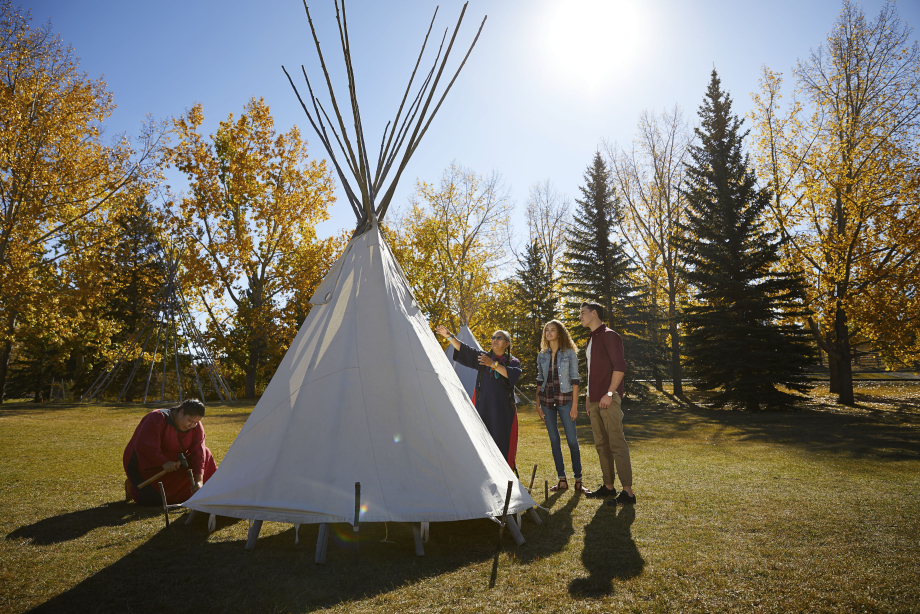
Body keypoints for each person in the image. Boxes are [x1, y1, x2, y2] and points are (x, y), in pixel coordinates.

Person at [436, 325, 522, 466]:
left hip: (503, 412)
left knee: (501, 442)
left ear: (507, 343)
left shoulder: (513, 362)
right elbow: (466, 350)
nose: (494, 340)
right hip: (484, 408)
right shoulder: (484, 358)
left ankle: (504, 473)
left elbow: (512, 375)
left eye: (499, 338)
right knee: (484, 442)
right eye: (493, 337)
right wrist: (449, 336)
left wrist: (493, 364)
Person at [579, 302, 636, 505]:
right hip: (594, 400)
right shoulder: (591, 339)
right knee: (601, 445)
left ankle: (628, 493)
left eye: (583, 313)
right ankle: (608, 487)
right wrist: (587, 398)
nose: (580, 317)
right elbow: (591, 373)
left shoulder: (610, 335)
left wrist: (610, 393)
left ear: (595, 313)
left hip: (608, 399)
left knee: (616, 443)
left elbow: (620, 366)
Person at [123, 399, 217, 505]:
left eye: (195, 423)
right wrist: (163, 462)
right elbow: (146, 446)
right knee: (158, 500)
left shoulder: (196, 426)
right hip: (145, 465)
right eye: (190, 421)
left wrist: (199, 482)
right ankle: (133, 487)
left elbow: (199, 452)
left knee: (206, 452)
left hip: (174, 464)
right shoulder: (156, 418)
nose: (192, 425)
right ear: (181, 412)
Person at [536, 319, 585, 493]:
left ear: (559, 333)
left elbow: (575, 379)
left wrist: (574, 406)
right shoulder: (542, 354)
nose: (549, 333)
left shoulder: (569, 353)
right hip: (547, 401)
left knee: (572, 441)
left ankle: (578, 480)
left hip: (565, 401)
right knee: (554, 441)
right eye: (547, 330)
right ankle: (562, 480)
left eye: (553, 330)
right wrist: (538, 403)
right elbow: (540, 379)